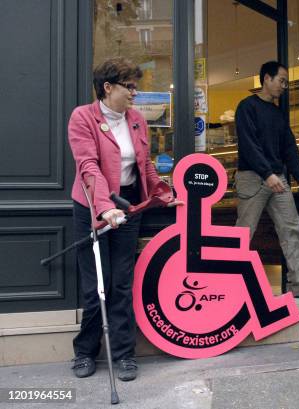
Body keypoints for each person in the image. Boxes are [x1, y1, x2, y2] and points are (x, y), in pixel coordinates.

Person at [68, 57, 179, 381]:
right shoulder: (83, 118)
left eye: (135, 87)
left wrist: (165, 195)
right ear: (107, 87)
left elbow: (144, 166)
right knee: (95, 287)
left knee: (121, 283)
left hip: (127, 207)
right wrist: (104, 209)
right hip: (92, 207)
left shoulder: (136, 121)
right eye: (129, 87)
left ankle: (124, 354)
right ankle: (85, 352)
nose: (135, 94)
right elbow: (88, 166)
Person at [234, 61, 299, 299]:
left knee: (291, 229)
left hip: (278, 179)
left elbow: (289, 146)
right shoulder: (246, 107)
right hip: (253, 177)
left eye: (286, 82)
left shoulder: (278, 113)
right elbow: (248, 145)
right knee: (244, 231)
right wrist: (267, 174)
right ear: (266, 78)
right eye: (281, 81)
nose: (284, 86)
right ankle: (226, 282)